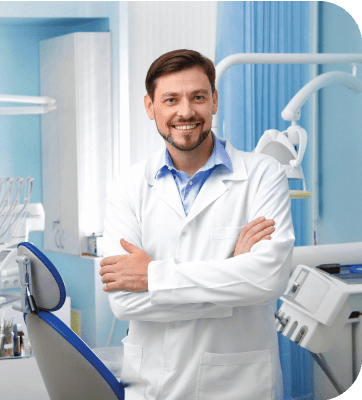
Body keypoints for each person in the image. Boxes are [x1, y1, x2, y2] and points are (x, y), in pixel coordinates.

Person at [100, 49, 295, 400]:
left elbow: (268, 279)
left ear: (214, 101)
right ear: (150, 107)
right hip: (150, 386)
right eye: (171, 99)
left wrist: (152, 278)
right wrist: (232, 275)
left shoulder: (263, 175)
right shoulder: (127, 185)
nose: (185, 111)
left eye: (198, 97)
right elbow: (123, 303)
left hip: (236, 385)